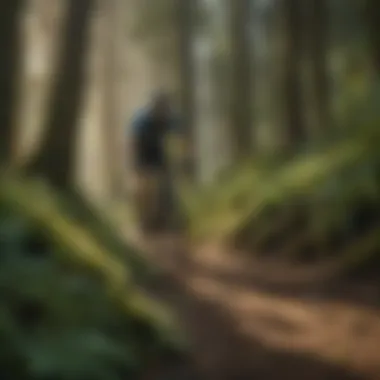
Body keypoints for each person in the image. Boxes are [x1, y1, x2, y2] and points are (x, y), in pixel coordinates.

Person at [130, 92, 179, 232]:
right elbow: (134, 143)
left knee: (163, 191)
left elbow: (178, 131)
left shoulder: (168, 119)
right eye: (160, 108)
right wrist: (137, 166)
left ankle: (162, 221)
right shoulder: (141, 121)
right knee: (145, 195)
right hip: (143, 162)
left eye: (164, 108)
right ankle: (145, 223)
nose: (162, 111)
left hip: (160, 162)